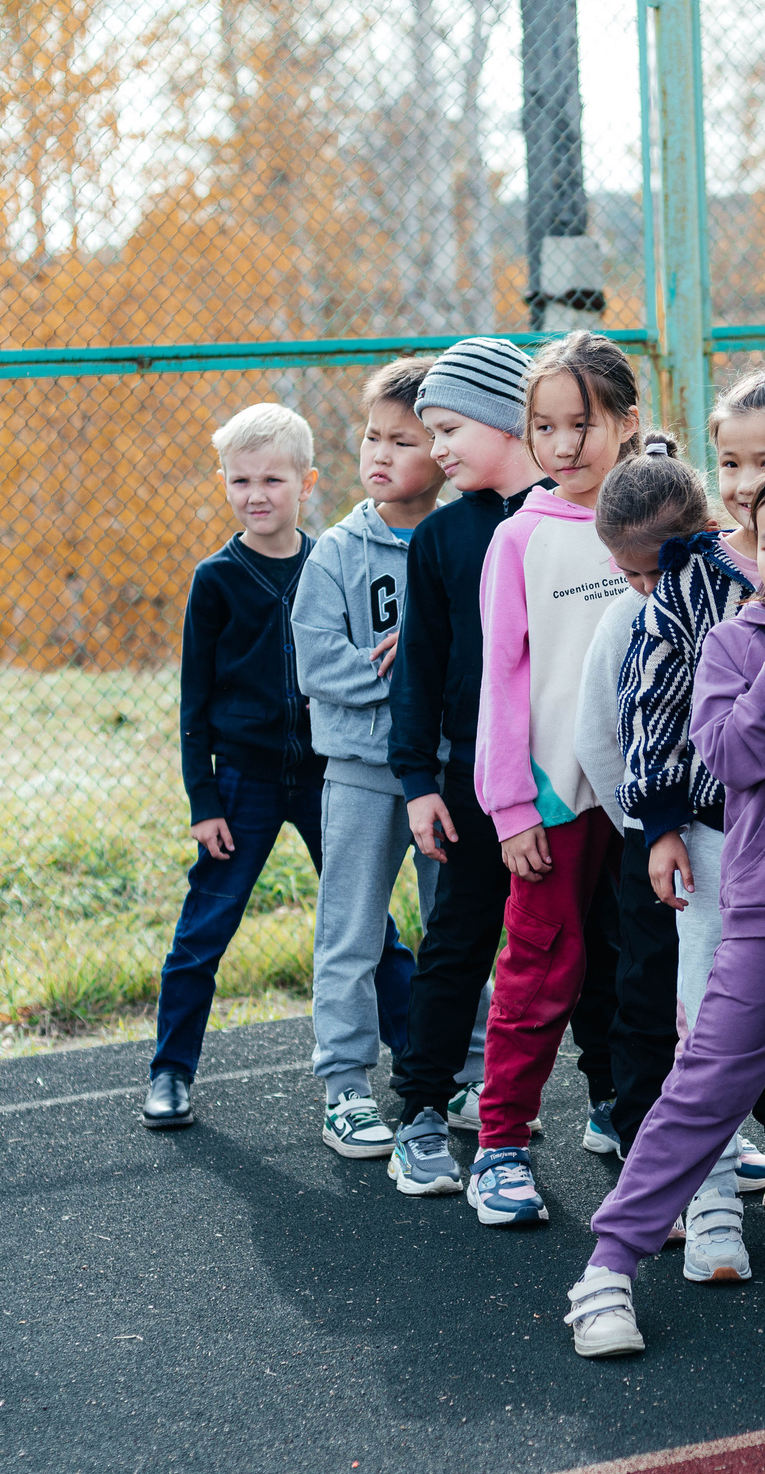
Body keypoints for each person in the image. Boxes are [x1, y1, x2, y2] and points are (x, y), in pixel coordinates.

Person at [562, 446, 765, 1358]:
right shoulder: (731, 640)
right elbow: (732, 761)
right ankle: (606, 1270)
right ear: (746, 543)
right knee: (700, 1091)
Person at [576, 438, 765, 1248]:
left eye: (649, 570)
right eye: (631, 574)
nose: (642, 588)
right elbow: (631, 729)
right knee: (691, 1007)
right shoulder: (660, 609)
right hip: (698, 836)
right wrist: (655, 825)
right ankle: (696, 1185)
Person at [385, 337, 613, 1195]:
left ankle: (612, 1097)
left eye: (448, 428)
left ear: (500, 419)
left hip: (586, 780)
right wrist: (416, 779)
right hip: (482, 784)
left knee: (600, 942)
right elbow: (422, 669)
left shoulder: (597, 514)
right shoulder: (447, 535)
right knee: (464, 936)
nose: (435, 448)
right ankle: (419, 1108)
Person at [143, 403, 411, 1130]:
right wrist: (205, 799)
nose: (255, 494)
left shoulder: (333, 560)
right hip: (244, 783)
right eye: (239, 481)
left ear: (306, 482)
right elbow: (193, 702)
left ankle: (420, 1059)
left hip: (330, 773)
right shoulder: (217, 580)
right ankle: (170, 1069)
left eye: (271, 478)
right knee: (205, 927)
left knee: (365, 923)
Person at [463, 330, 644, 1227]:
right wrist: (509, 806)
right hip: (554, 795)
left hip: (659, 796)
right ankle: (501, 1142)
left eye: (585, 422)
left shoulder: (667, 526)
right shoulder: (521, 538)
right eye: (546, 426)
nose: (566, 444)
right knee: (540, 964)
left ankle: (656, 1128)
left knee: (658, 966)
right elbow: (500, 680)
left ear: (629, 422)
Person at [293, 356, 486, 1171]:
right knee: (354, 931)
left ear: (440, 455)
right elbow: (316, 663)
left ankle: (468, 1077)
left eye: (403, 441)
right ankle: (345, 1085)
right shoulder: (338, 550)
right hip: (366, 775)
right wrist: (398, 672)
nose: (379, 454)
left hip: (450, 774)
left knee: (459, 933)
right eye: (372, 436)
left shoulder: (462, 539)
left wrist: (436, 667)